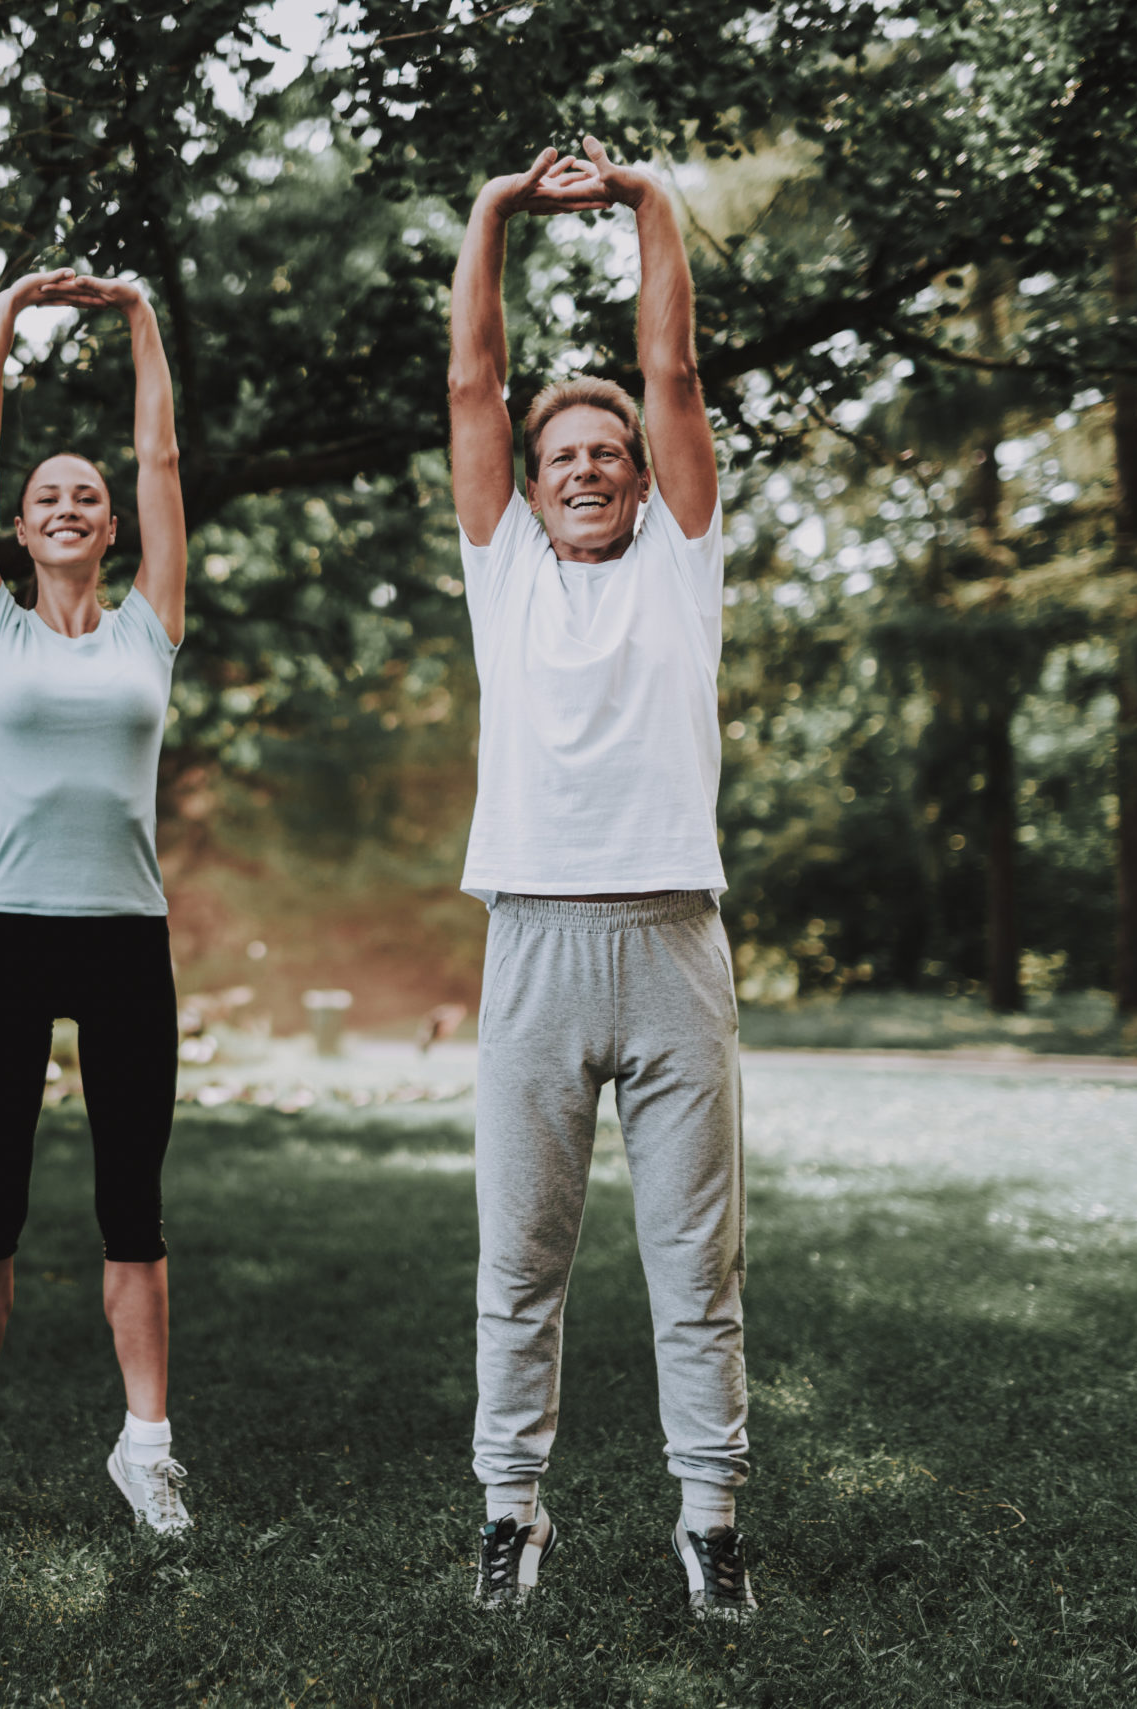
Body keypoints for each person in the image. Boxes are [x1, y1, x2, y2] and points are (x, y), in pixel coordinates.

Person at [447, 139, 755, 1619]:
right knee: (522, 1260)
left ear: (642, 475)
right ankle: (512, 1510)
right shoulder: (501, 566)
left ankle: (712, 1522)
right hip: (535, 944)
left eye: (606, 450)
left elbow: (675, 369)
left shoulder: (679, 561)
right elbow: (469, 386)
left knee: (695, 1266)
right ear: (533, 476)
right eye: (559, 450)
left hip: (674, 939)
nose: (581, 465)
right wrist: (499, 210)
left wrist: (643, 202)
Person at [0, 267, 192, 1540]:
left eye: (88, 493)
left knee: (131, 1208)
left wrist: (137, 317)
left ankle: (146, 1447)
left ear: (109, 524)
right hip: (16, 934)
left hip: (128, 937)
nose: (73, 502)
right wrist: (9, 312)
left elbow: (163, 454)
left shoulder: (152, 624)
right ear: (18, 531)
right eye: (49, 496)